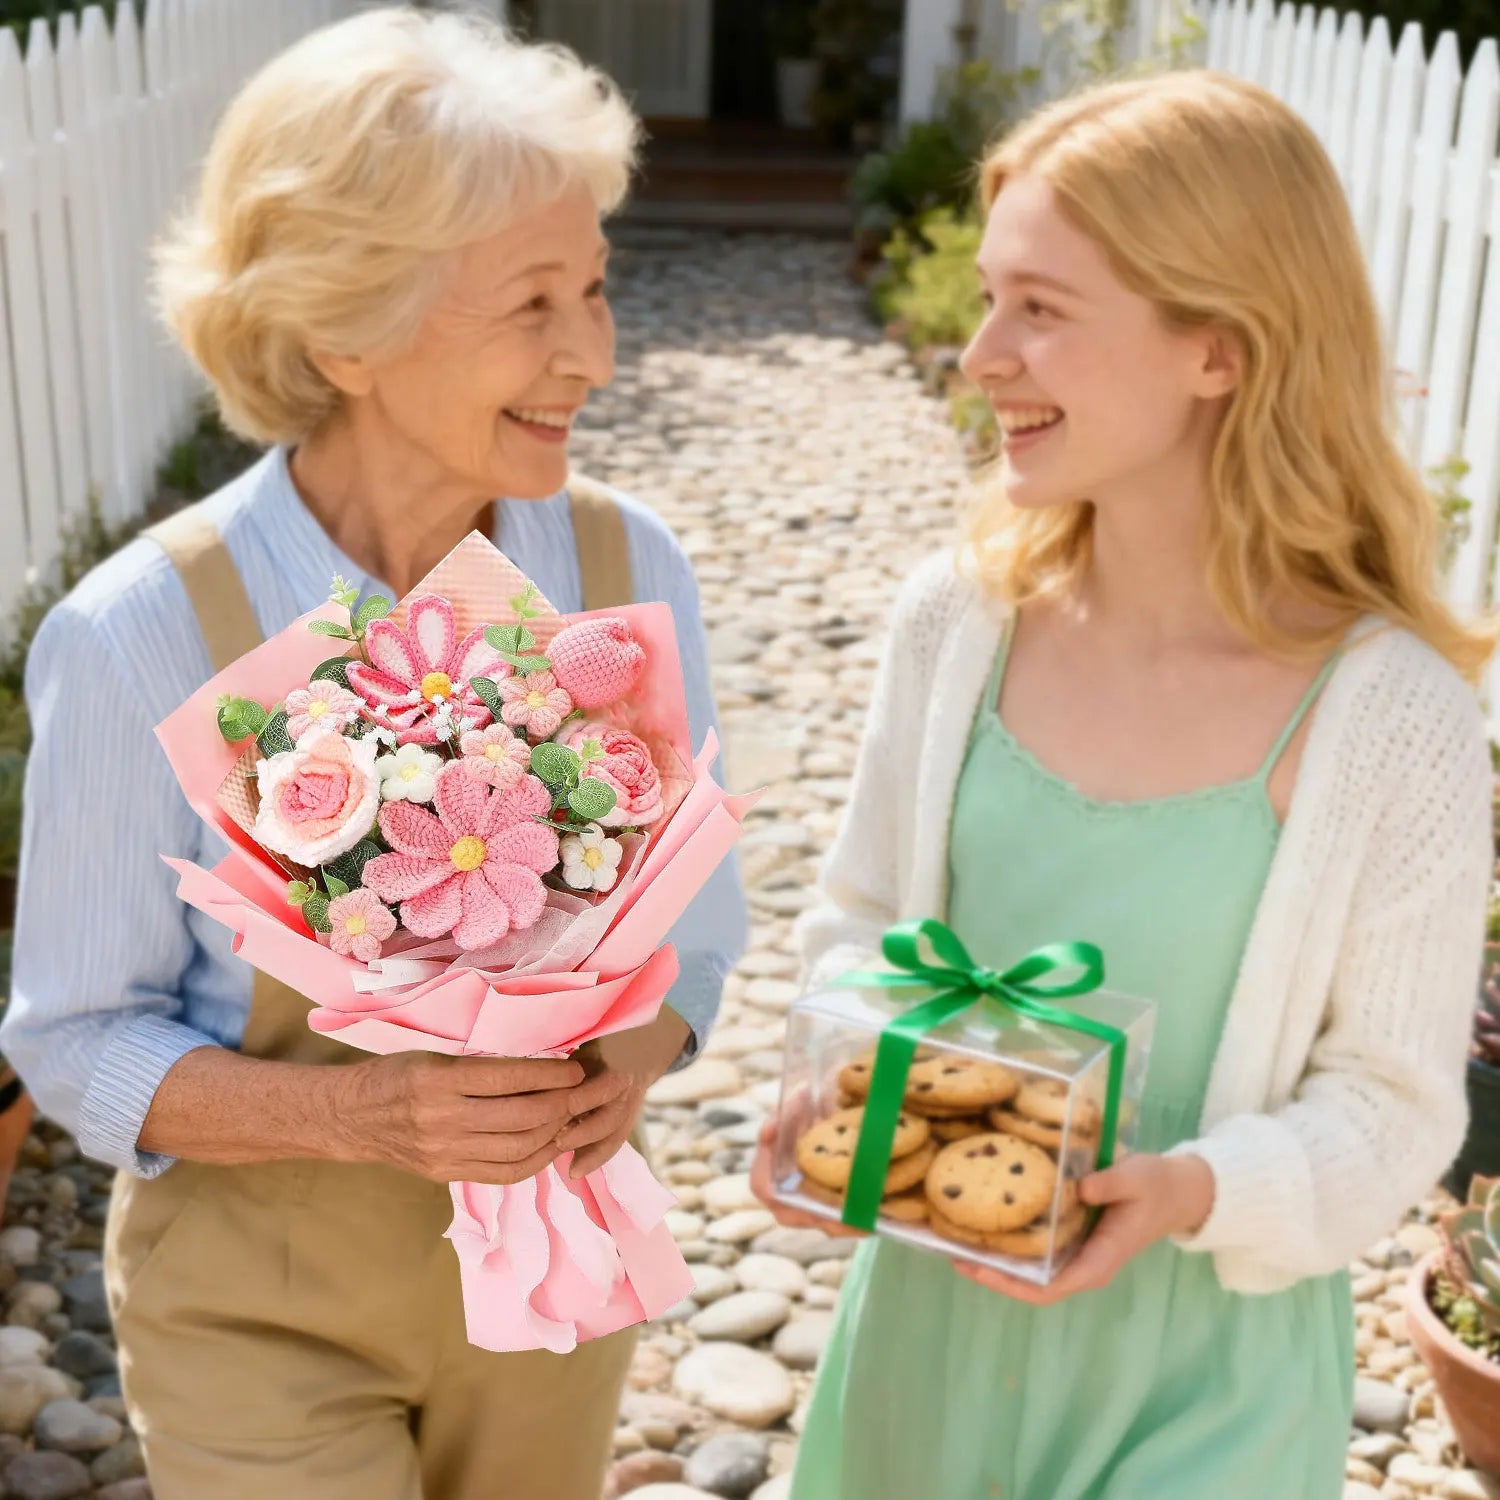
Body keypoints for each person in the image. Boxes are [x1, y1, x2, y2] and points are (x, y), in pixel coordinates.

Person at [0, 10, 746, 1498]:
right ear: (342, 327)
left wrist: (633, 1058)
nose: (590, 353)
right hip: (259, 1304)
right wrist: (365, 1113)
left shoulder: (624, 563)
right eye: (532, 304)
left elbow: (702, 942)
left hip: (550, 1285)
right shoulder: (147, 629)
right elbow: (71, 1039)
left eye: (595, 287)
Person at [753, 69, 1493, 1499]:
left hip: (1204, 1383)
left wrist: (1197, 1190)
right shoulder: (955, 624)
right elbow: (853, 924)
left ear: (1216, 350)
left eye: (1041, 308)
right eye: (987, 300)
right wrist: (839, 1083)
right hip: (924, 1341)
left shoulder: (1390, 714)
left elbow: (1400, 1104)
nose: (980, 355)